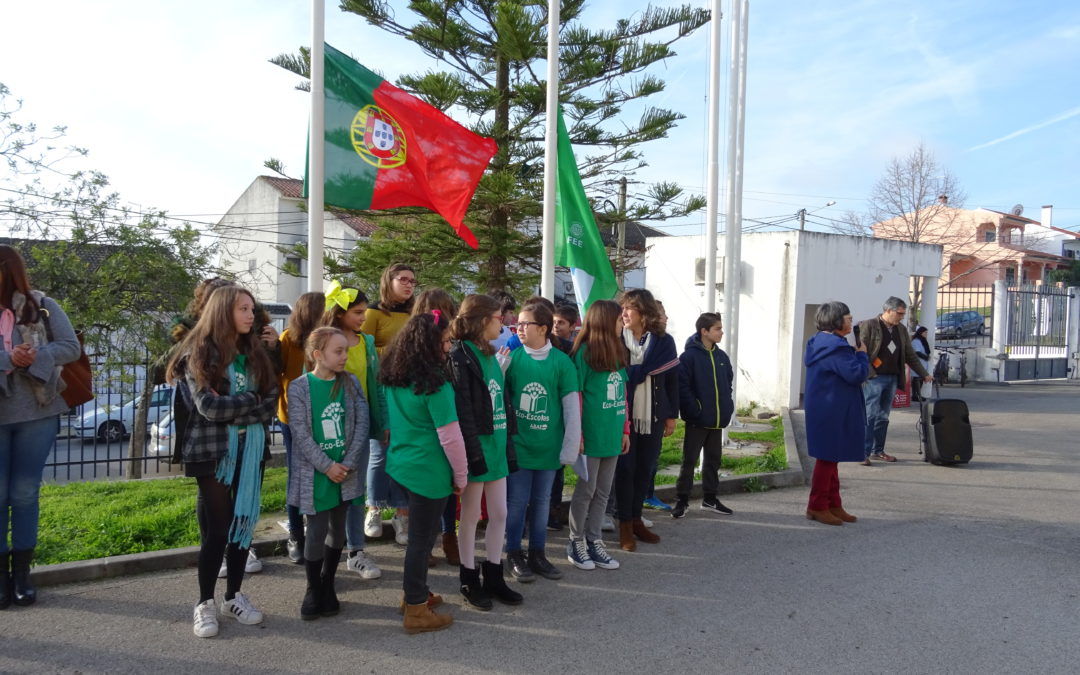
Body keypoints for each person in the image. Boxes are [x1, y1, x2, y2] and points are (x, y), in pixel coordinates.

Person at [166, 285, 278, 638]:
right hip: (214, 452)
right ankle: (204, 603)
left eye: (251, 308)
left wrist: (243, 405)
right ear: (223, 312)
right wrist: (250, 399)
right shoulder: (199, 352)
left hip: (252, 449)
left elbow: (270, 399)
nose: (251, 315)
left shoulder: (256, 352)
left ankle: (233, 596)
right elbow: (208, 407)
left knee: (243, 524)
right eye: (243, 309)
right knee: (218, 530)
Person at [0, 244, 81, 608]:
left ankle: (22, 576)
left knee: (24, 493)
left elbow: (70, 347)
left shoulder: (41, 305)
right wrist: (7, 356)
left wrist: (36, 355)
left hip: (37, 410)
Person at [380, 310, 466, 633]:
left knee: (419, 539)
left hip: (401, 465)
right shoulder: (436, 385)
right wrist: (461, 476)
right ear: (429, 345)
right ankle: (415, 609)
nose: (448, 347)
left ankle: (413, 595)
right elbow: (451, 438)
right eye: (445, 341)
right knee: (421, 541)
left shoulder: (395, 375)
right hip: (428, 472)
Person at [286, 327, 369, 619]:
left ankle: (328, 582)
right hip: (318, 474)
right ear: (318, 355)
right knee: (317, 529)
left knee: (338, 526)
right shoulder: (299, 387)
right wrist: (327, 466)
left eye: (346, 350)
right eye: (338, 351)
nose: (345, 356)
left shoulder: (351, 383)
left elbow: (361, 423)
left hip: (345, 470)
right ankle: (313, 588)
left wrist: (347, 462)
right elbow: (300, 432)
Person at [447, 294, 522, 609]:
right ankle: (468, 577)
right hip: (477, 446)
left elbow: (500, 401)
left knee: (500, 513)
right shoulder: (460, 356)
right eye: (496, 317)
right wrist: (471, 455)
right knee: (471, 516)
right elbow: (463, 411)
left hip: (498, 443)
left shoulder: (492, 354)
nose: (502, 322)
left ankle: (494, 574)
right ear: (480, 321)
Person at [503, 302, 581, 582]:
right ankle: (513, 552)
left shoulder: (561, 362)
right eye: (518, 324)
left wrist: (570, 447)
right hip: (519, 447)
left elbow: (572, 408)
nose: (519, 329)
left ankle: (538, 553)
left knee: (541, 503)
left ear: (544, 329)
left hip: (548, 447)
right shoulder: (512, 357)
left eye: (526, 324)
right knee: (516, 502)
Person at [320, 283, 386, 579]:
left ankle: (356, 552)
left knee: (356, 492)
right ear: (340, 312)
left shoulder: (367, 343)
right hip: (330, 430)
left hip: (359, 428)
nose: (363, 317)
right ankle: (324, 553)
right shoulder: (321, 342)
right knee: (330, 492)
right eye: (358, 312)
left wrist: (381, 422)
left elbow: (377, 384)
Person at [614, 289, 679, 551]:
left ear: (644, 312)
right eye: (623, 308)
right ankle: (625, 526)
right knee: (625, 470)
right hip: (623, 416)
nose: (625, 313)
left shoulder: (664, 341)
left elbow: (672, 379)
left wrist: (671, 415)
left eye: (630, 308)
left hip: (653, 415)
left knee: (644, 469)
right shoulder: (616, 339)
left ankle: (637, 519)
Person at [565, 299, 629, 571]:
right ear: (604, 321)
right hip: (591, 434)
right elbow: (577, 397)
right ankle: (575, 541)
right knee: (586, 491)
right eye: (618, 320)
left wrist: (625, 430)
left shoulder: (617, 351)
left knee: (603, 491)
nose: (622, 324)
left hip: (613, 433)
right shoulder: (583, 354)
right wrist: (577, 434)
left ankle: (594, 541)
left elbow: (623, 395)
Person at [360, 264, 416, 545]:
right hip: (381, 390)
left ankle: (402, 514)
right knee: (379, 452)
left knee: (402, 454)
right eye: (402, 279)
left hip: (407, 391)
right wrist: (396, 350)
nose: (408, 285)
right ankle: (374, 507)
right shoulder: (373, 312)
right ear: (388, 281)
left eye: (412, 281)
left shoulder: (415, 314)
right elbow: (363, 347)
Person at [804, 302, 869, 525]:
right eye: (848, 318)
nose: (851, 321)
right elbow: (857, 374)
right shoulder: (835, 347)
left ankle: (833, 504)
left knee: (831, 458)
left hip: (828, 407)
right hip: (831, 409)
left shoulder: (822, 343)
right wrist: (862, 355)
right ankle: (817, 506)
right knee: (828, 459)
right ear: (836, 320)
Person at [411, 289, 461, 566]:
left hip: (448, 415)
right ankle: (429, 543)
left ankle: (447, 537)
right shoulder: (416, 342)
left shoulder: (452, 340)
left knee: (448, 486)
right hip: (427, 426)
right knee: (429, 490)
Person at [277, 291, 326, 564]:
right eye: (323, 309)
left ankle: (318, 533)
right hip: (293, 419)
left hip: (324, 420)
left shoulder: (328, 338)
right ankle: (296, 535)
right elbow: (277, 375)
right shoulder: (288, 340)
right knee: (297, 477)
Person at [672, 312, 735, 519]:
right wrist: (695, 409)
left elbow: (728, 384)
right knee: (689, 460)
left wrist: (727, 405)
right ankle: (682, 500)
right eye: (717, 328)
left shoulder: (721, 357)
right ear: (704, 331)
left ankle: (710, 499)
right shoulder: (688, 357)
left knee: (713, 460)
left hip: (717, 419)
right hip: (698, 420)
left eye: (720, 328)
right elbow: (682, 387)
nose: (721, 332)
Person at [857, 297, 932, 464]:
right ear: (888, 310)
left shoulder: (901, 330)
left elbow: (910, 354)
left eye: (903, 314)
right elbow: (861, 351)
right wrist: (869, 373)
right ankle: (863, 452)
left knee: (883, 416)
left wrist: (924, 373)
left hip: (892, 377)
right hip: (874, 378)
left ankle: (878, 451)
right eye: (899, 313)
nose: (901, 317)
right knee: (870, 415)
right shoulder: (870, 325)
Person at [911, 326, 931, 402]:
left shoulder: (923, 340)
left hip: (923, 363)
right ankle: (915, 395)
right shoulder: (916, 341)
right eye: (925, 332)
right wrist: (925, 357)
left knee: (921, 379)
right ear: (920, 333)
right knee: (916, 379)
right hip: (918, 363)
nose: (926, 334)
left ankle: (918, 395)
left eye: (927, 332)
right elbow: (917, 352)